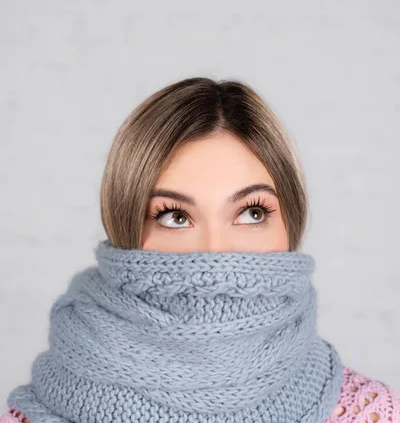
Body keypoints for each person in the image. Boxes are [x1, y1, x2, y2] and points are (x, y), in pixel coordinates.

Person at [2, 76, 399, 423]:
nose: (215, 254)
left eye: (252, 212)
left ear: (290, 223)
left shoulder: (371, 413)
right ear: (124, 228)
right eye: (175, 216)